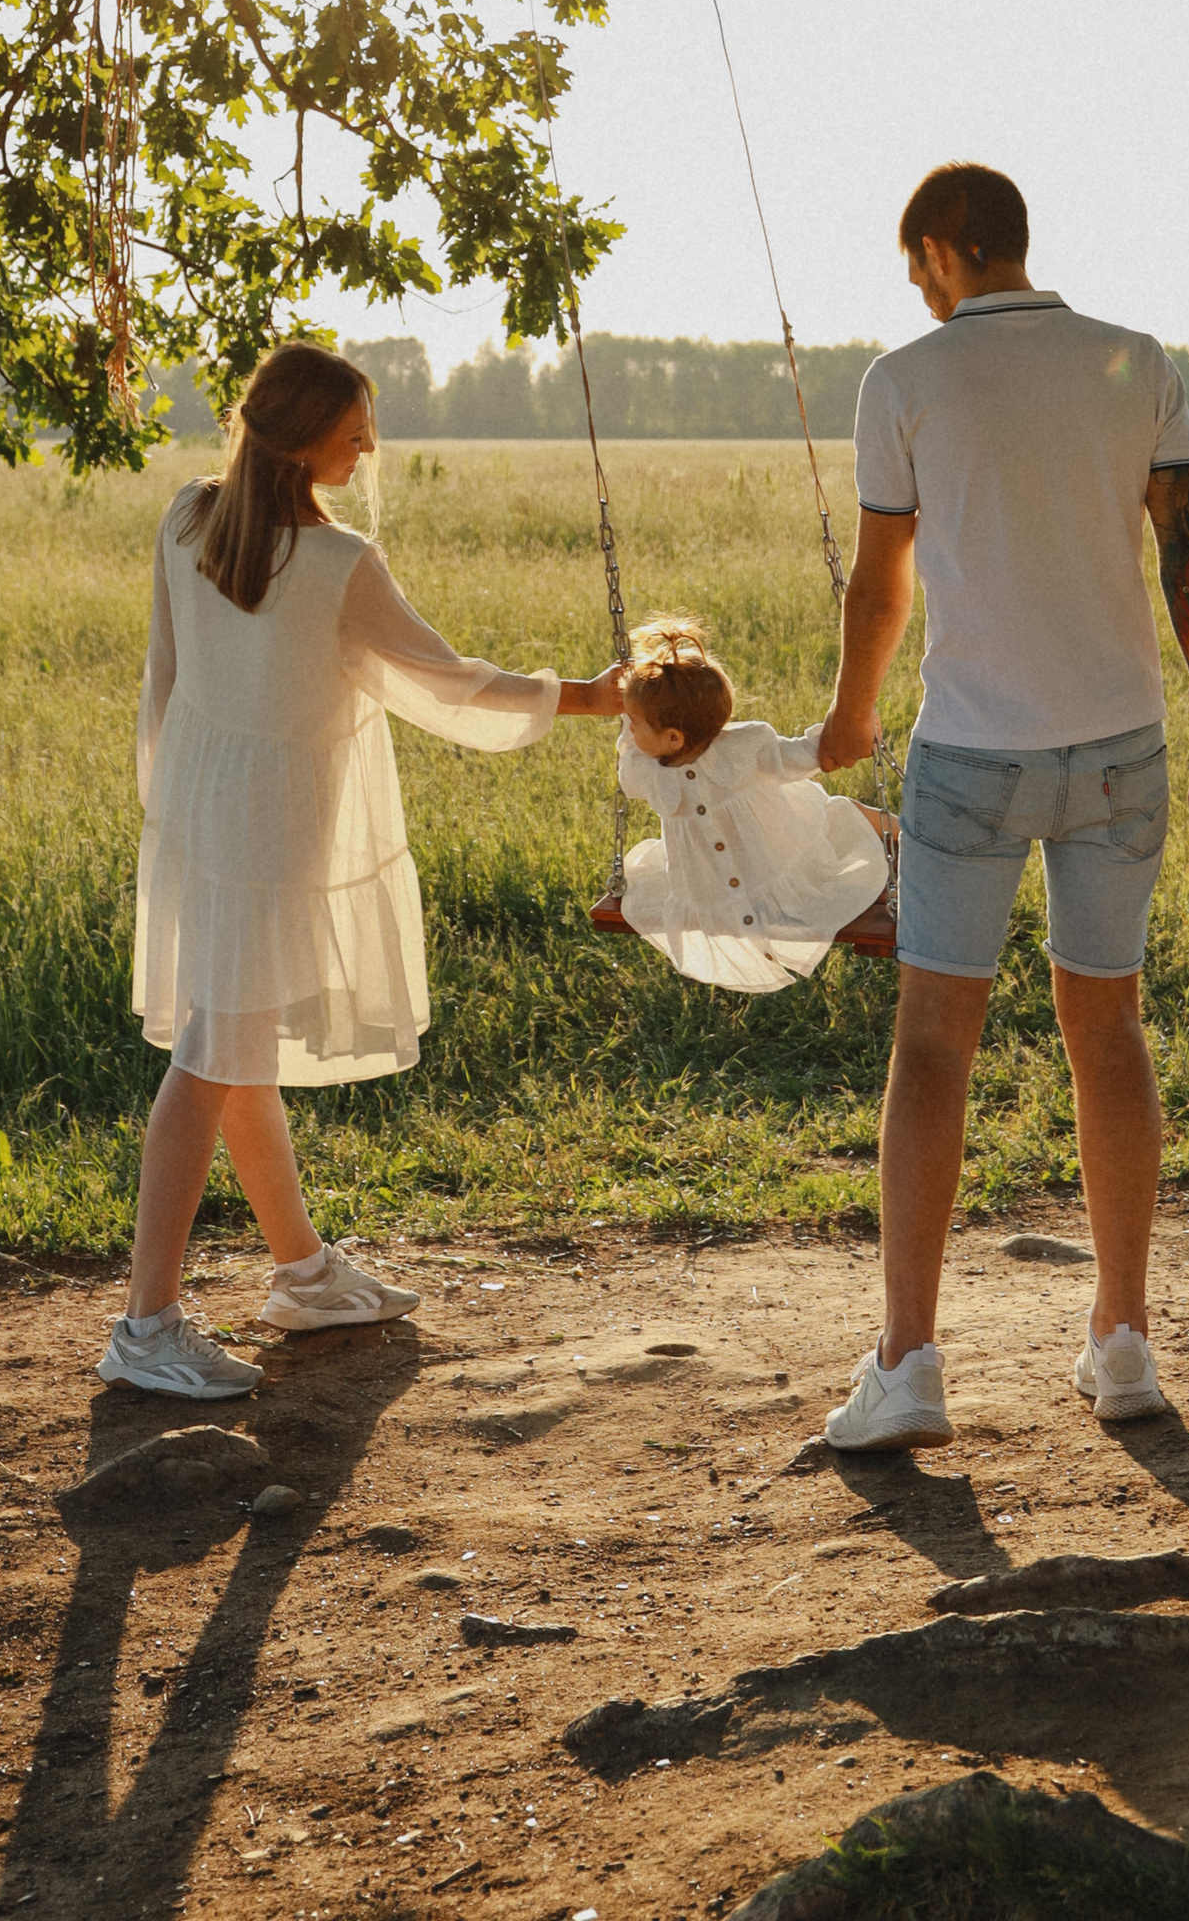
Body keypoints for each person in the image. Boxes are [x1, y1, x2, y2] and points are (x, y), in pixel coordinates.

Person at [816, 164, 1189, 1449]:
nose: (915, 289)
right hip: (1121, 751)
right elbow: (1188, 558)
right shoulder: (1136, 361)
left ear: (947, 250)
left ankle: (908, 1365)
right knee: (1106, 1027)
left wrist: (849, 717)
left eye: (915, 265)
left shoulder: (903, 379)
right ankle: (1122, 1344)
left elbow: (879, 585)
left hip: (970, 755)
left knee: (930, 1045)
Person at [101, 338, 626, 1399]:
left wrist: (168, 803)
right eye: (353, 433)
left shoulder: (189, 519)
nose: (368, 450)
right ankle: (145, 1325)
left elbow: (165, 674)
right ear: (301, 441)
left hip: (206, 811)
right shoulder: (339, 562)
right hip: (271, 829)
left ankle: (303, 1275)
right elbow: (448, 683)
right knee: (211, 1056)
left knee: (235, 1044)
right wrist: (587, 696)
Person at [612, 614, 889, 991]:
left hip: (773, 862)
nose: (629, 730)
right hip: (707, 886)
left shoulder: (744, 746)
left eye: (634, 723)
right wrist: (633, 706)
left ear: (674, 738)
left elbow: (793, 755)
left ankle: (893, 832)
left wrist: (837, 738)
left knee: (841, 831)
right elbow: (628, 763)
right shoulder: (647, 771)